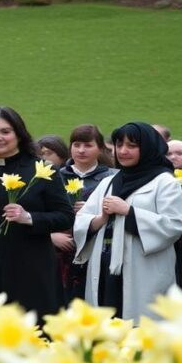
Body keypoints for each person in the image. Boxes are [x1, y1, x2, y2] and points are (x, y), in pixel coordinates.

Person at [0, 106, 74, 319]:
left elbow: (65, 216)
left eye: (5, 131)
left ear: (19, 134)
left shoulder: (42, 170)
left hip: (29, 265)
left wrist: (29, 218)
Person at [72, 122, 182, 321]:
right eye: (119, 145)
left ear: (148, 147)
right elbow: (82, 219)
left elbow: (173, 225)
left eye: (132, 146)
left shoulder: (165, 182)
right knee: (106, 324)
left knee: (142, 325)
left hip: (143, 269)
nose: (123, 151)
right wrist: (101, 218)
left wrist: (129, 212)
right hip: (105, 266)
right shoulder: (109, 182)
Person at [54, 124, 118, 304]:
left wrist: (91, 211)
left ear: (100, 148)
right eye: (76, 145)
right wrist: (51, 235)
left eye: (88, 145)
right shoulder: (54, 177)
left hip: (99, 249)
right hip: (60, 251)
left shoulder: (113, 178)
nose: (81, 150)